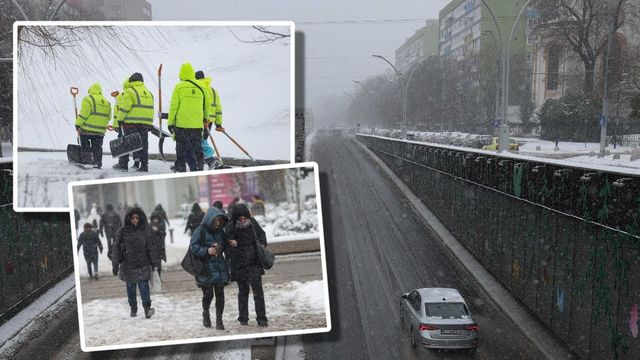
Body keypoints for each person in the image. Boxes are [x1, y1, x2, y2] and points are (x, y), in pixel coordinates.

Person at [224, 204, 268, 327]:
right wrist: (235, 247)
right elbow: (227, 249)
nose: (243, 221)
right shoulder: (231, 227)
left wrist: (262, 245)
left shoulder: (252, 223)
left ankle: (262, 318)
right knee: (243, 292)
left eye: (244, 218)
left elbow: (262, 235)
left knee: (258, 292)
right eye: (240, 219)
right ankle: (243, 318)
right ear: (235, 218)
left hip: (254, 263)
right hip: (239, 265)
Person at [111, 207, 158, 318]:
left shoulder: (144, 230)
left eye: (137, 217)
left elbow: (150, 247)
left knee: (144, 289)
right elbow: (116, 248)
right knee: (131, 290)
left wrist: (154, 262)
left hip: (142, 264)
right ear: (129, 218)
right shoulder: (122, 231)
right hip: (128, 266)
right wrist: (115, 264)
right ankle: (133, 308)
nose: (135, 220)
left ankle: (147, 309)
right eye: (132, 218)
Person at [189, 207, 230, 329]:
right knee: (208, 295)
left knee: (220, 294)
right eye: (216, 220)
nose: (218, 223)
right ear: (210, 220)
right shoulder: (199, 231)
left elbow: (224, 245)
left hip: (219, 267)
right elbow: (194, 247)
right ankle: (206, 312)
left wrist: (225, 246)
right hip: (205, 269)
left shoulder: (220, 232)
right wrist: (207, 251)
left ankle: (219, 319)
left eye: (220, 221)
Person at [167, 63, 211, 172]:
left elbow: (173, 106)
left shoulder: (179, 87)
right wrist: (206, 119)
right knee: (197, 147)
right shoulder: (202, 87)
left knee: (181, 148)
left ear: (181, 73)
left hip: (182, 125)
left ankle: (181, 167)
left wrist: (170, 123)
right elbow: (207, 105)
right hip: (196, 125)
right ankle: (199, 167)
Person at [113, 73, 155, 172]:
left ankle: (123, 165)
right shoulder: (148, 92)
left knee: (126, 143)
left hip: (131, 122)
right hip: (145, 123)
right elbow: (151, 108)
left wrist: (120, 119)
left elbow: (125, 107)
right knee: (143, 144)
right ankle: (144, 166)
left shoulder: (130, 91)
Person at [75, 83, 112, 169]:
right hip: (100, 131)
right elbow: (109, 117)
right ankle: (97, 163)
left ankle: (87, 160)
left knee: (84, 144)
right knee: (97, 147)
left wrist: (78, 124)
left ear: (91, 90)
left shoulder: (88, 99)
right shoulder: (107, 102)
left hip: (87, 129)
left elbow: (84, 114)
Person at [195, 70, 224, 169]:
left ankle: (208, 162)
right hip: (210, 121)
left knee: (198, 143)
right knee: (201, 141)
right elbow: (218, 109)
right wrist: (218, 124)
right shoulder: (213, 91)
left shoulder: (199, 89)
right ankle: (206, 163)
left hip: (200, 120)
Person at [149, 214, 167, 279]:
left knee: (159, 264)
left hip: (159, 248)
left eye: (157, 219)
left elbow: (163, 234)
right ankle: (153, 277)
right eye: (154, 219)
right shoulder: (149, 226)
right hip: (152, 248)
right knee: (152, 264)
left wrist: (158, 231)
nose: (155, 220)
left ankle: (158, 277)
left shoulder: (161, 225)